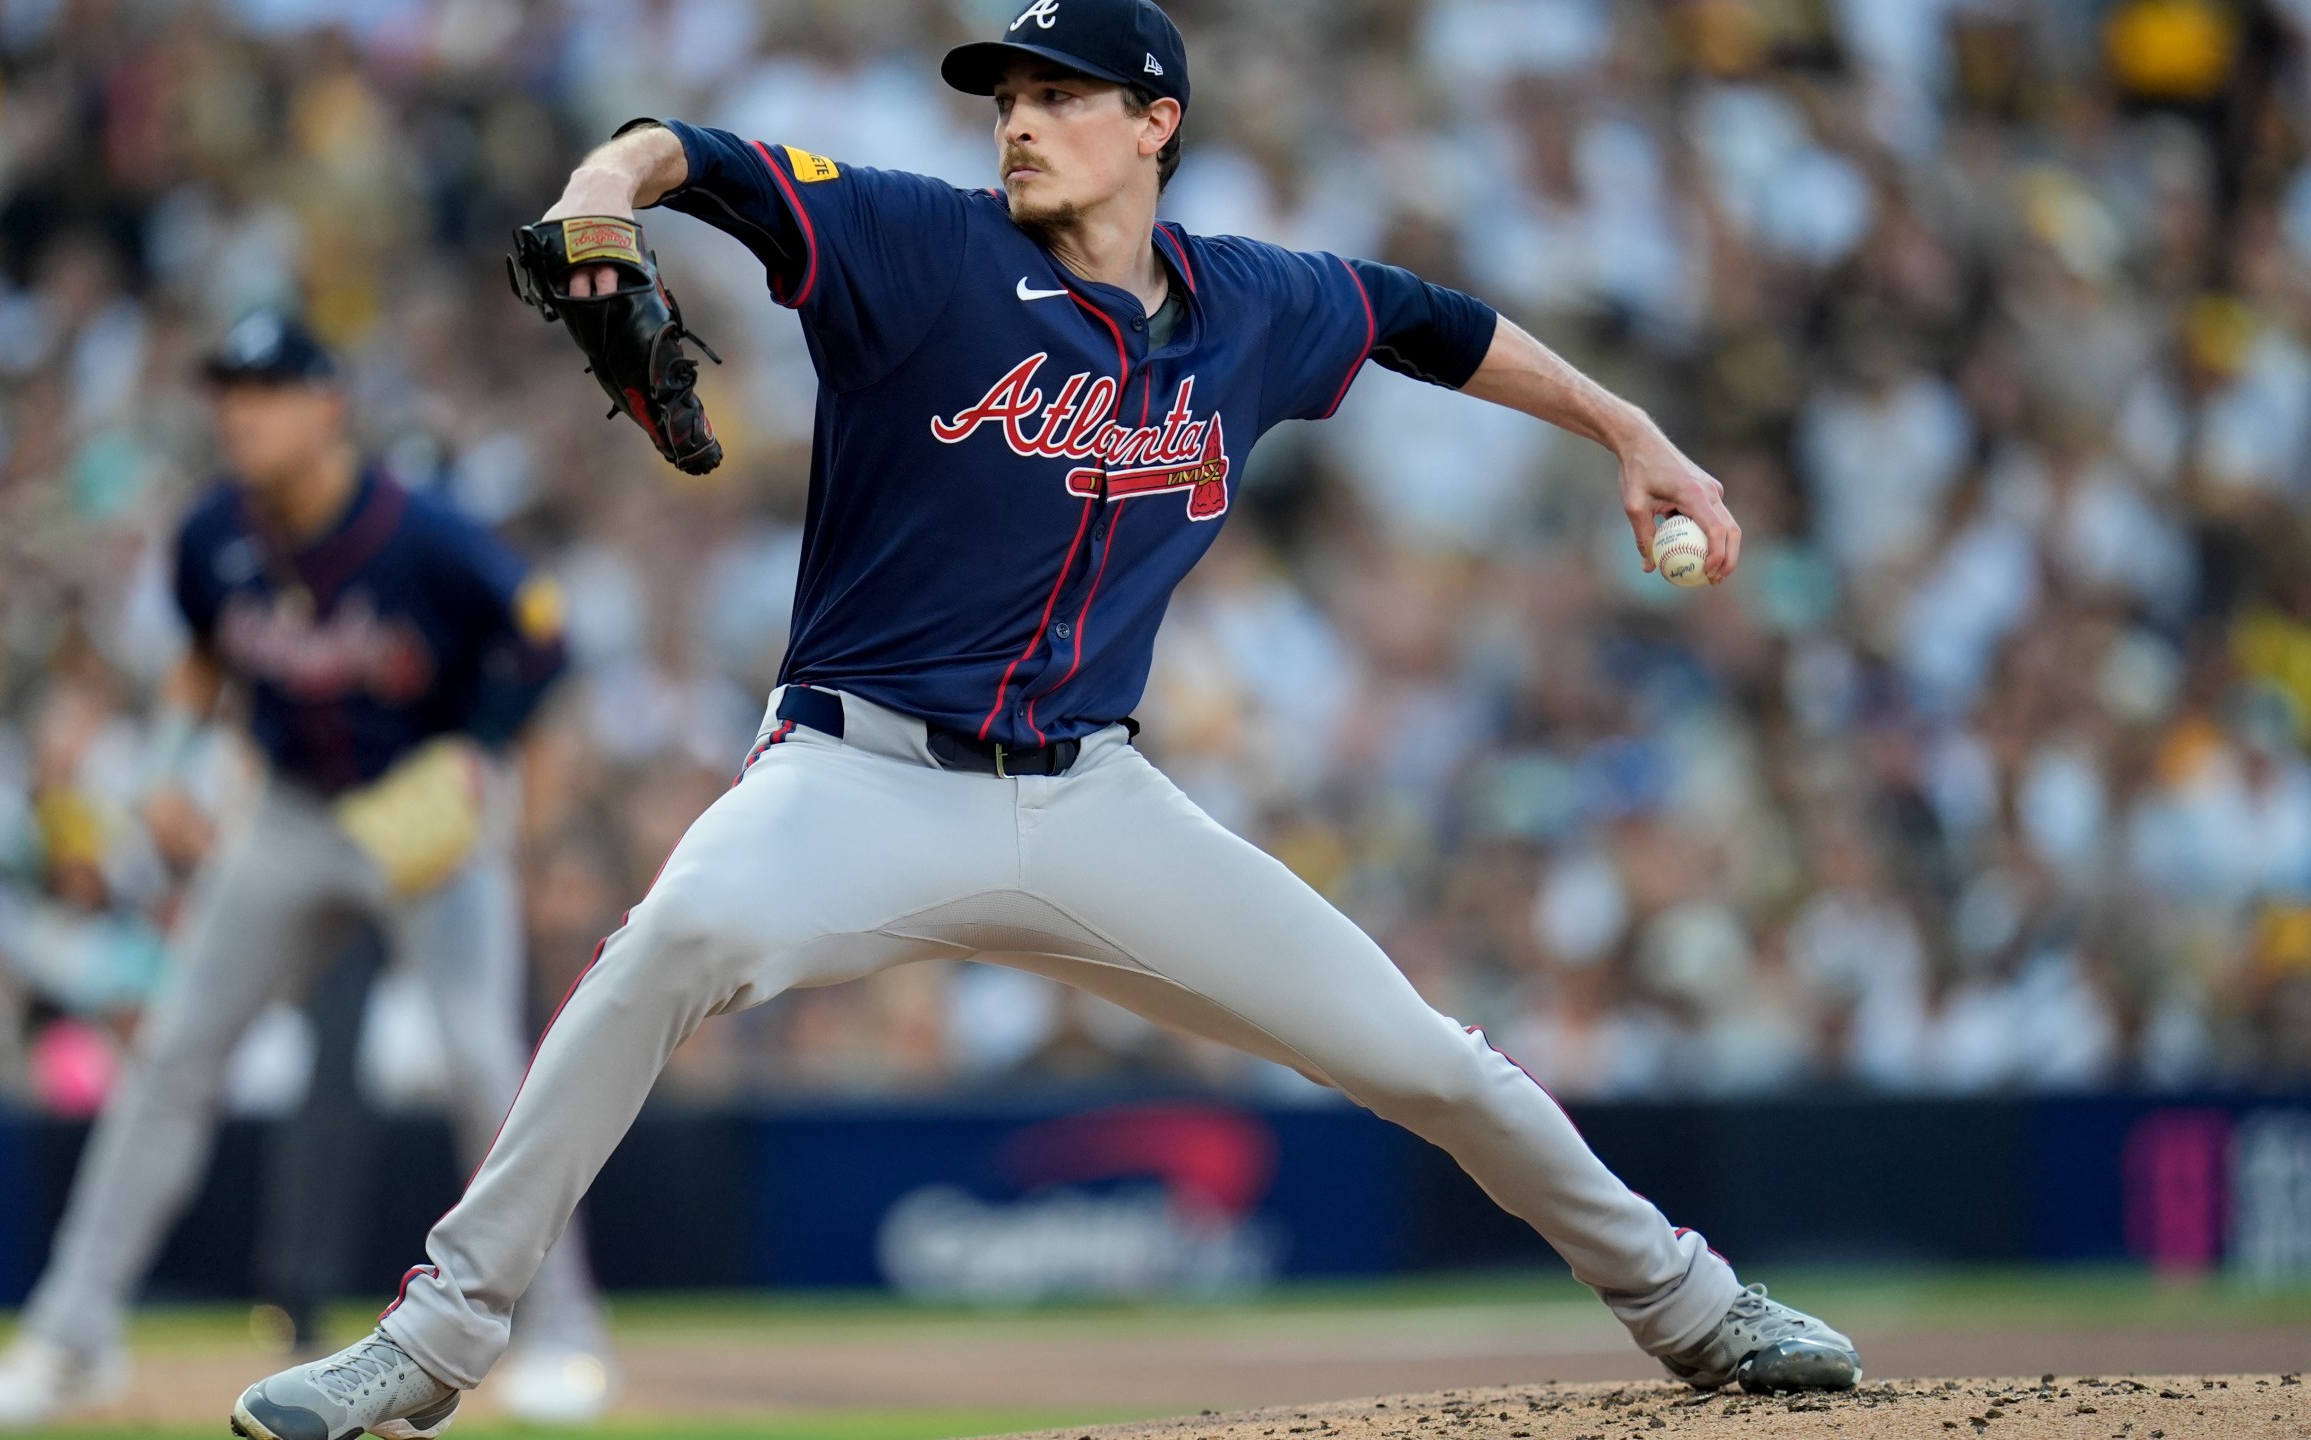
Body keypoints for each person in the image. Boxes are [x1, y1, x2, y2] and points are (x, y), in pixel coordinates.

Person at [236, 5, 1861, 1436]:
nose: (1019, 117)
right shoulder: (918, 245)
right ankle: (434, 1343)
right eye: (1006, 93)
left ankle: (1696, 1311)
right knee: (659, 948)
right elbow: (704, 156)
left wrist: (1628, 426)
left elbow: (1434, 323)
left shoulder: (1260, 306)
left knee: (1427, 1060)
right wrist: (606, 186)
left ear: (1155, 123)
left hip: (1097, 805)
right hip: (855, 780)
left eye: (1062, 91)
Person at [0, 312, 614, 1431]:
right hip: (292, 813)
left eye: (266, 387)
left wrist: (503, 806)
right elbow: (207, 657)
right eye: (228, 389)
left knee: (480, 1064)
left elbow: (544, 650)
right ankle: (69, 1336)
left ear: (328, 406)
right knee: (171, 1056)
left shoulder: (425, 536)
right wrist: (166, 764)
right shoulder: (214, 531)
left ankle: (563, 1332)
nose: (240, 410)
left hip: (423, 819)